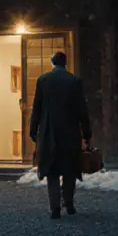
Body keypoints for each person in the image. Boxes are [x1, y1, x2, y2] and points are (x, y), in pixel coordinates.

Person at [28, 51, 91, 219]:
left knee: (52, 171)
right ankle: (68, 202)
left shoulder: (43, 80)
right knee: (70, 169)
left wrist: (33, 130)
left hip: (49, 132)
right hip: (70, 132)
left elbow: (37, 108)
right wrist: (86, 132)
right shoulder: (74, 81)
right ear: (65, 63)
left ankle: (55, 206)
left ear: (52, 63)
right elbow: (82, 110)